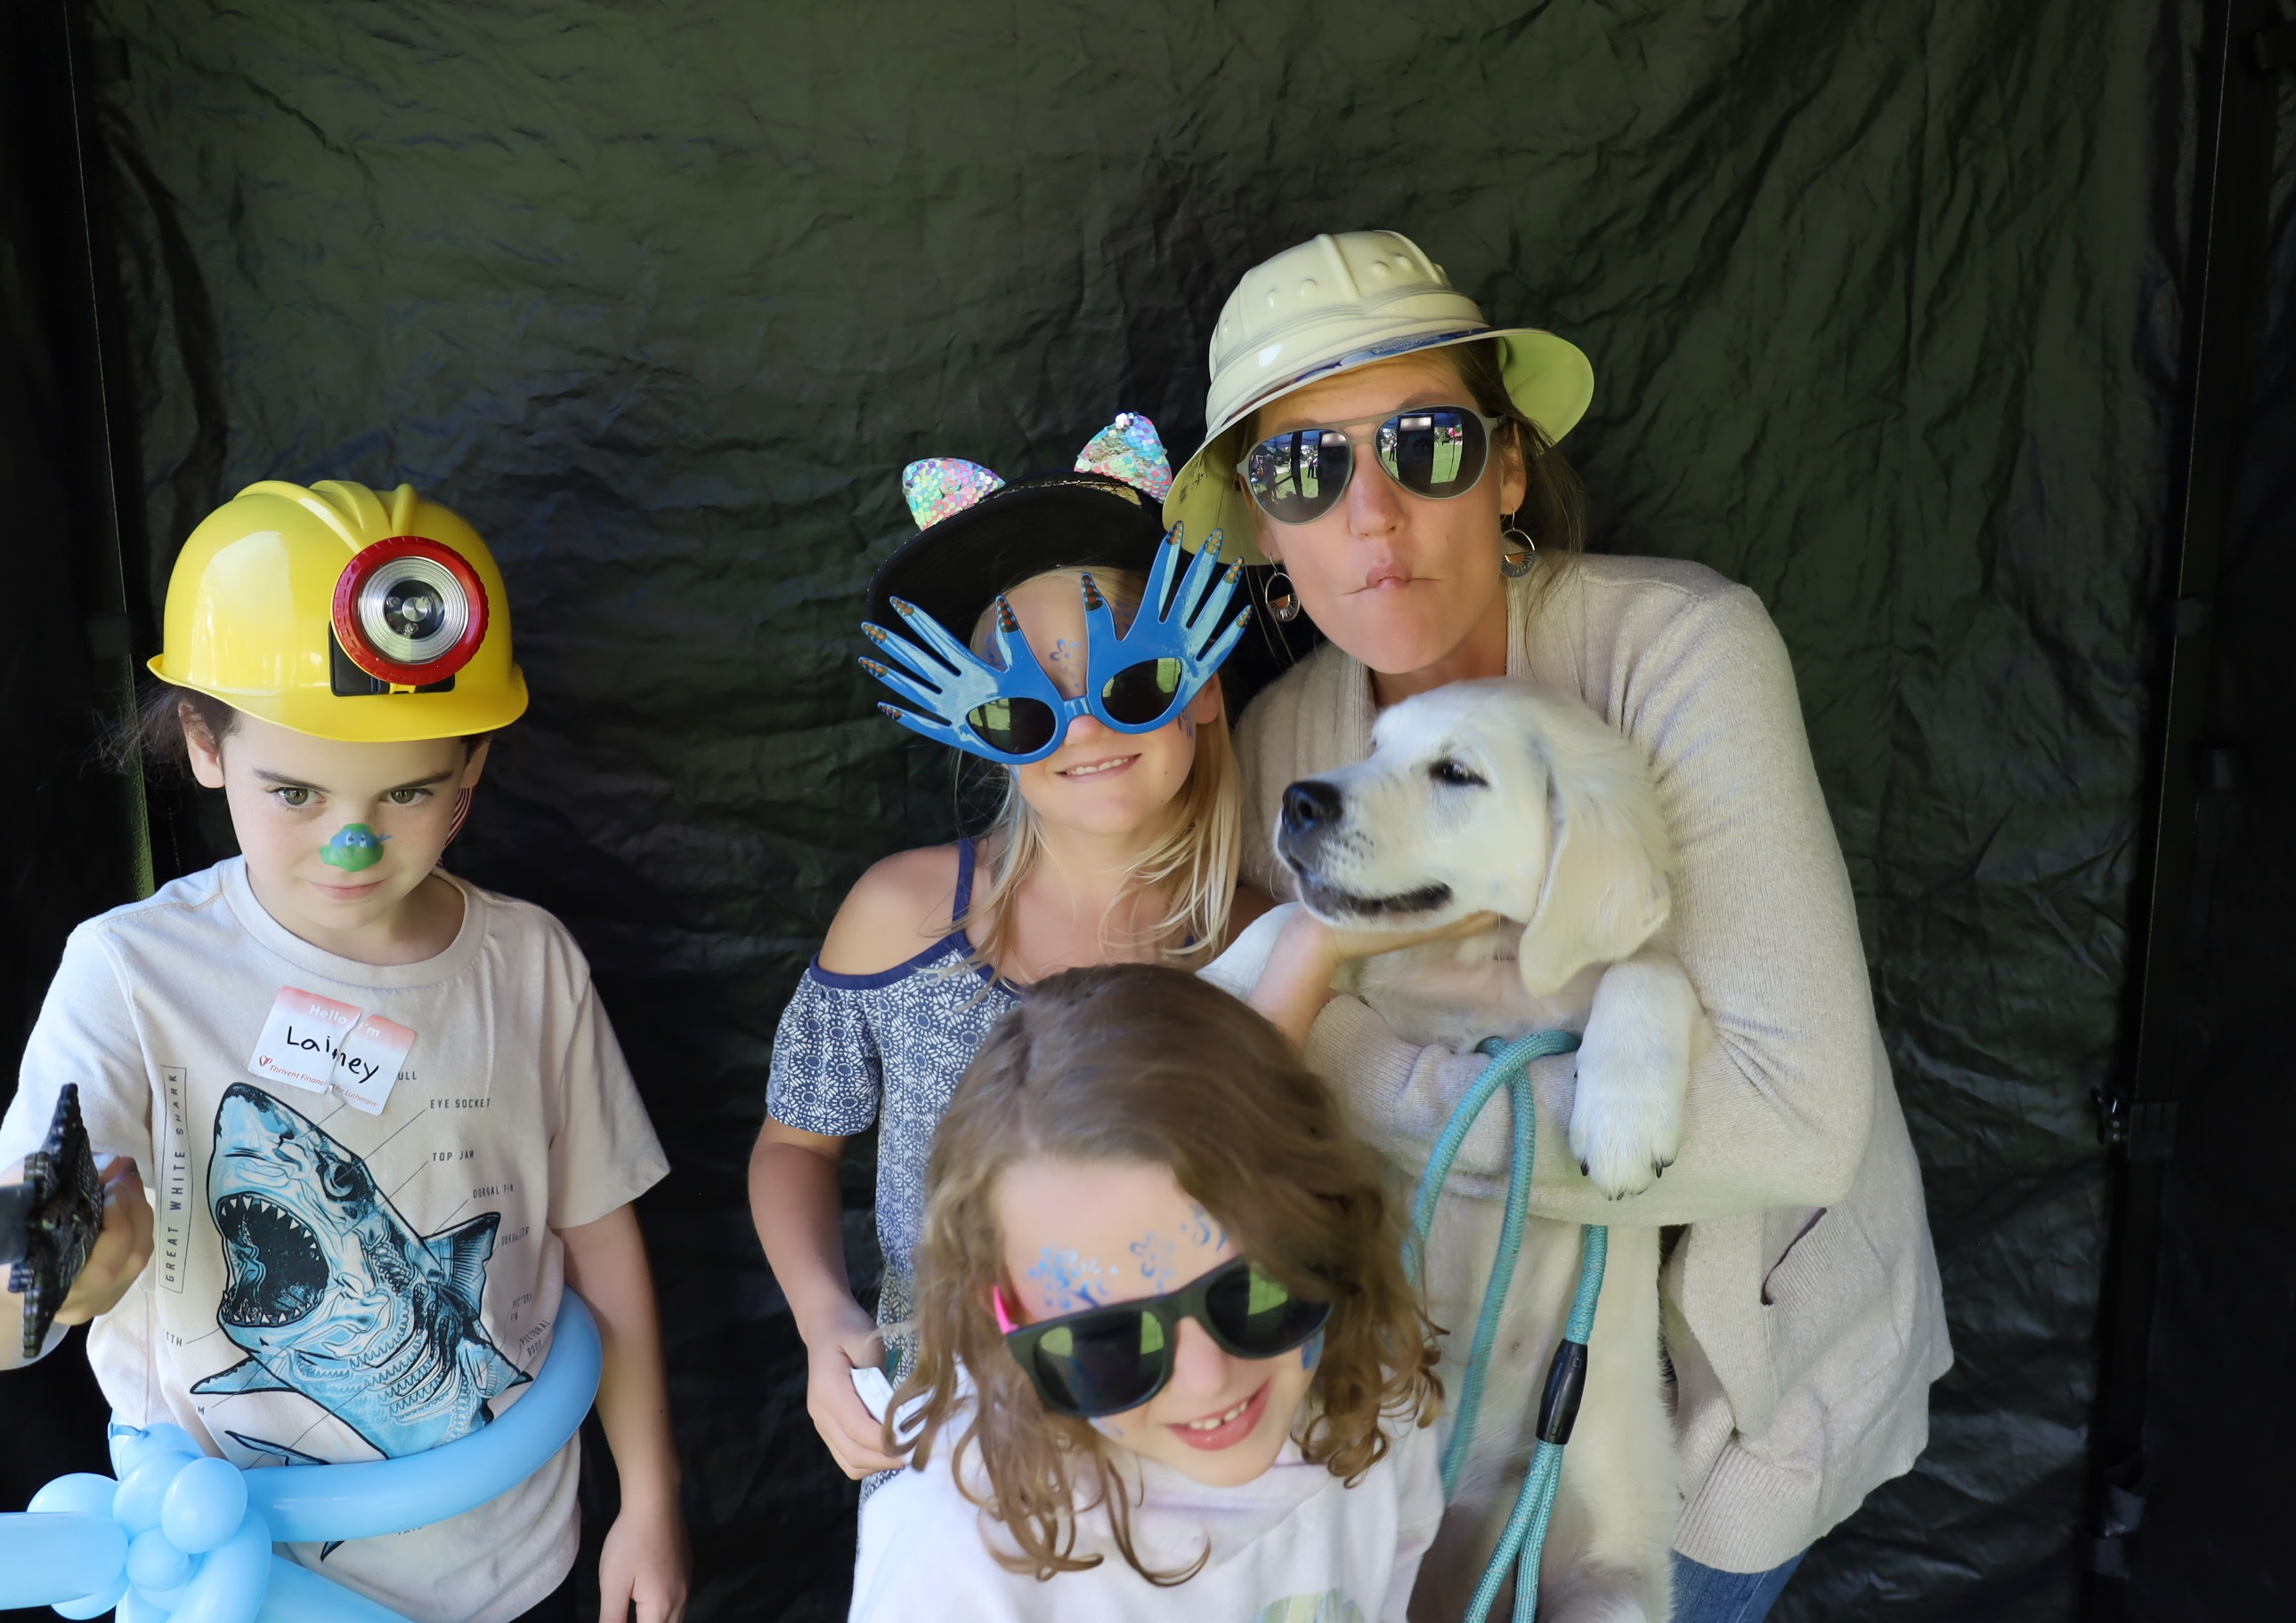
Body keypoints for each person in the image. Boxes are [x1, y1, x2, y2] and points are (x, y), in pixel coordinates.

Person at [1165, 232, 1955, 1620]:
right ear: (1264, 533)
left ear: (1509, 468)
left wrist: (1349, 1050)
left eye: (1425, 445)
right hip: (1420, 1418)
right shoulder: (1287, 745)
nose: (1372, 515)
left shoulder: (1677, 650)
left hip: (1722, 1410)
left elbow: (1792, 1125)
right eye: (1302, 471)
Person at [0, 480, 686, 1623]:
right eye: (296, 791)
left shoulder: (531, 963)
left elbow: (601, 1236)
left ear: (472, 770)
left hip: (516, 1566)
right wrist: (50, 1281)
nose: (353, 841)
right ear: (203, 741)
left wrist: (653, 1496)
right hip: (243, 1587)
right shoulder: (128, 973)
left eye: (410, 790)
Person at [749, 417, 1263, 1487]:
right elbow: (794, 1144)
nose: (1085, 728)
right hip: (950, 1456)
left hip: (1193, 1459)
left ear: (1206, 683)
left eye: (1132, 682)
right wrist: (823, 1318)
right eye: (1026, 707)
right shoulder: (903, 919)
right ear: (973, 727)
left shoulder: (1259, 946)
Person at [850, 963, 1440, 1621]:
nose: (1208, 1378)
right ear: (1002, 1324)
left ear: (1333, 1220)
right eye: (1110, 1342)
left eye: (1257, 1294)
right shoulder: (954, 1569)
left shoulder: (1374, 1402)